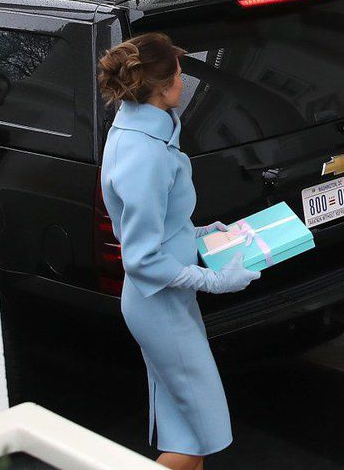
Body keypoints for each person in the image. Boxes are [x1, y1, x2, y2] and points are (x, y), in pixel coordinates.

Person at [98, 33, 260, 470]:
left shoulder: (138, 129)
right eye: (179, 74)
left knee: (185, 434)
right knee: (199, 439)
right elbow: (141, 258)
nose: (183, 81)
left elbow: (158, 226)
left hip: (167, 303)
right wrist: (217, 281)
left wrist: (199, 233)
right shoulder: (146, 154)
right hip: (159, 309)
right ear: (163, 87)